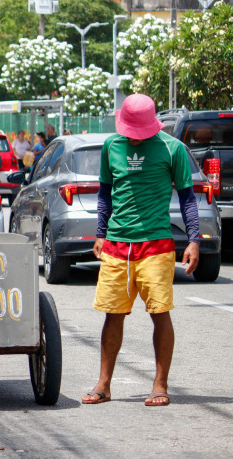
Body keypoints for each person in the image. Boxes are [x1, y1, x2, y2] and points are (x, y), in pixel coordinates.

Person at [81, 94, 199, 407]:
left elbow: (187, 197)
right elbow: (105, 193)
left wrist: (195, 240)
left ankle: (160, 384)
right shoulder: (111, 146)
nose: (133, 138)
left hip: (156, 244)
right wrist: (101, 233)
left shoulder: (172, 149)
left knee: (160, 312)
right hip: (117, 245)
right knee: (113, 314)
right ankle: (104, 384)